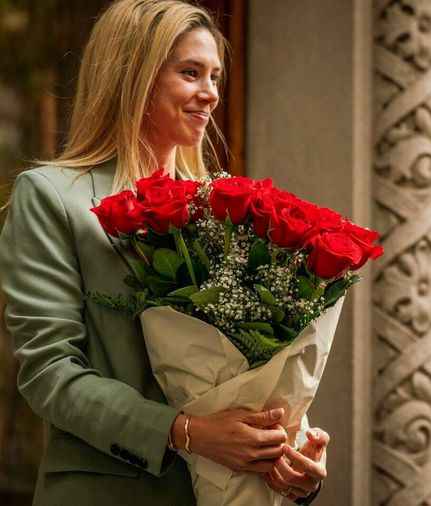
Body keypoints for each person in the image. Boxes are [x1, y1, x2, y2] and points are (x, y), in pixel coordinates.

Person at [0, 1, 327, 504]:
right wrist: (185, 431)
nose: (211, 93)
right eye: (190, 73)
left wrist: (286, 450)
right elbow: (50, 373)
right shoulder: (50, 197)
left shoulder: (228, 211)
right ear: (133, 77)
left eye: (215, 76)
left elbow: (248, 366)